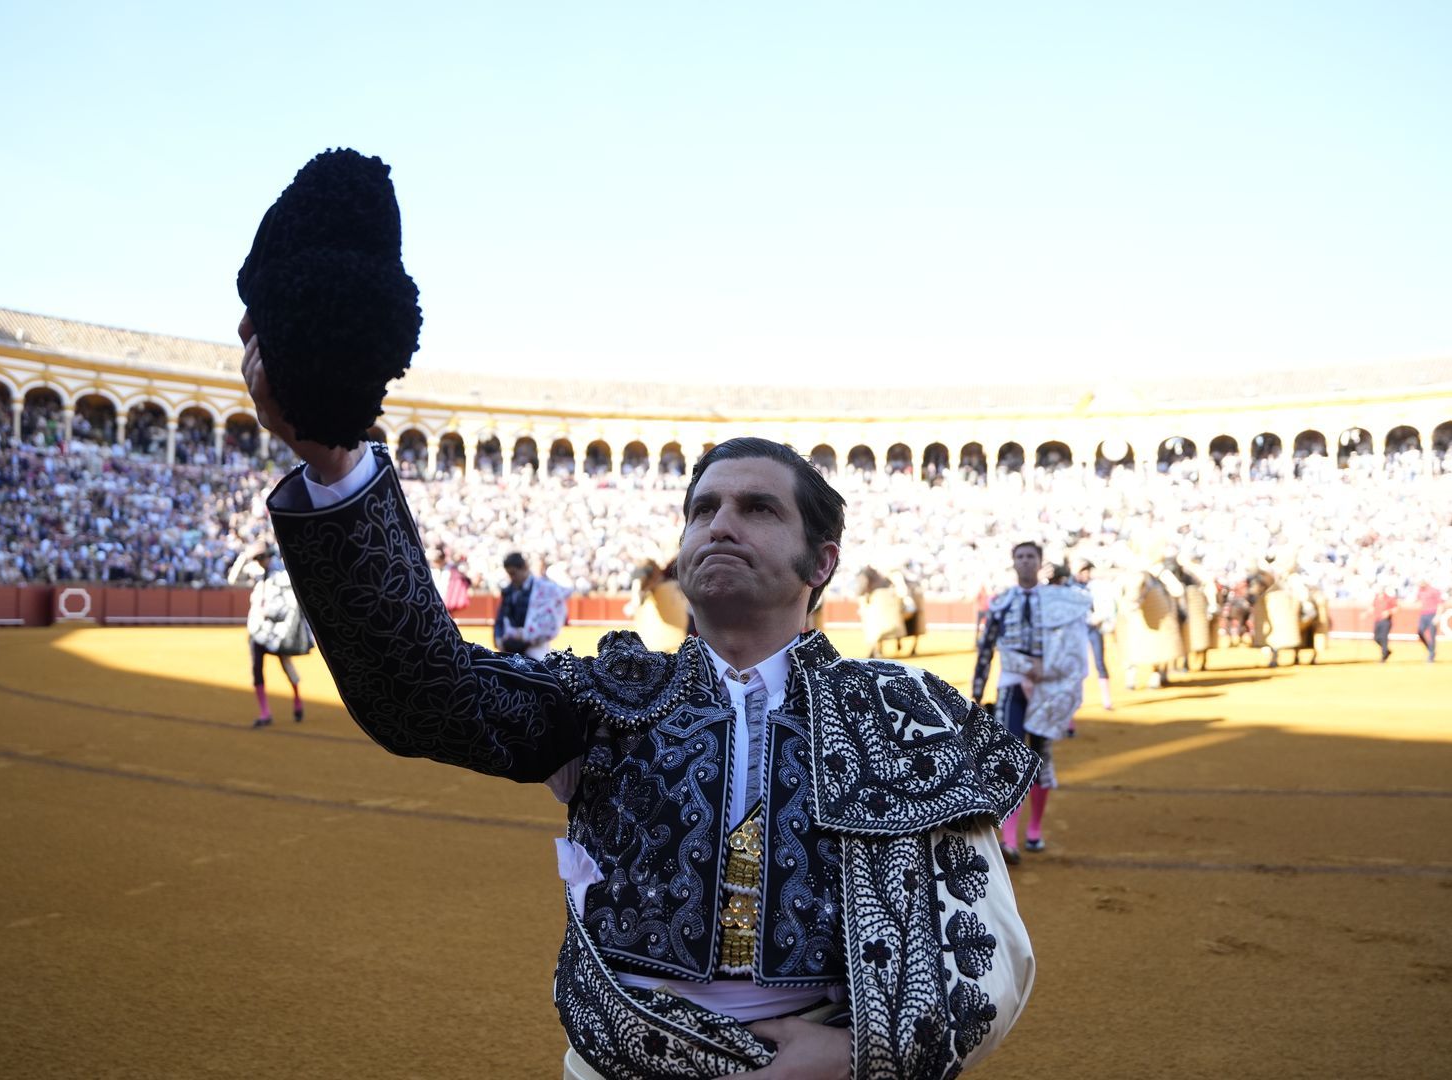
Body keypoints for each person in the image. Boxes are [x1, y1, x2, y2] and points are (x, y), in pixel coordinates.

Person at [246, 336, 1040, 1079]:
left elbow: (986, 947)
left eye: (758, 509)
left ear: (821, 561)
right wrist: (337, 466)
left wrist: (851, 1055)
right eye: (703, 510)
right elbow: (419, 692)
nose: (720, 524)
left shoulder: (906, 712)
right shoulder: (607, 697)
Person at [971, 542, 1090, 864]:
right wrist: (977, 693)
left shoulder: (1057, 602)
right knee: (1012, 759)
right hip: (1011, 684)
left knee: (1041, 757)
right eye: (1020, 557)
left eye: (1030, 557)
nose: (1025, 562)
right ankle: (1009, 839)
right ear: (1014, 562)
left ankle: (1034, 829)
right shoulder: (1002, 603)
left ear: (1039, 563)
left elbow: (1071, 645)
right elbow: (986, 650)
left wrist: (1047, 671)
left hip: (1046, 686)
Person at [227, 542, 312, 727]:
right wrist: (244, 557)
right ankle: (265, 713)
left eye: (261, 557)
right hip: (257, 629)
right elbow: (233, 581)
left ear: (269, 555)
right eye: (256, 559)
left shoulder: (282, 574)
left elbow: (292, 603)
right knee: (256, 668)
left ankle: (297, 701)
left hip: (276, 631)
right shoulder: (256, 573)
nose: (260, 562)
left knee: (286, 665)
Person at [494, 550, 570, 659]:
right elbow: (501, 617)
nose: (512, 578)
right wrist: (499, 639)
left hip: (536, 648)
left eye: (514, 573)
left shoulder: (543, 589)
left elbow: (548, 621)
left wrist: (527, 638)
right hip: (510, 647)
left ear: (524, 568)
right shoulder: (508, 591)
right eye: (509, 574)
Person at [1071, 562, 1115, 710]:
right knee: (1078, 665)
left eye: (1087, 570)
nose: (1086, 574)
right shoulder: (1070, 588)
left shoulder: (1097, 587)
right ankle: (1078, 698)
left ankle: (1106, 700)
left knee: (1100, 662)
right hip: (1078, 630)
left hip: (1093, 627)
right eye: (1082, 571)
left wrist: (1100, 617)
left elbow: (1107, 606)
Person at [1415, 580, 1443, 663]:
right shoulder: (1420, 590)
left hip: (1432, 614)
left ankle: (1431, 654)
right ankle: (1431, 649)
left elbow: (1440, 604)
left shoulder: (1434, 591)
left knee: (1432, 635)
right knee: (1420, 632)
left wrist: (1438, 616)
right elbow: (1418, 601)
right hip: (1424, 614)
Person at [1369, 587, 1398, 663]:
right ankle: (1386, 651)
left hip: (1386, 621)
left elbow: (1396, 608)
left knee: (1384, 638)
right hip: (1377, 620)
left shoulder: (1389, 598)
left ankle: (1384, 655)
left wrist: (1388, 612)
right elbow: (1373, 607)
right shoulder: (1376, 598)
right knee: (1376, 638)